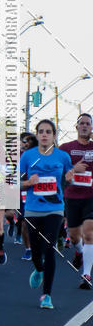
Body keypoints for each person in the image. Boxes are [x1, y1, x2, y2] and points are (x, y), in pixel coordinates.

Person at [21, 119, 74, 309]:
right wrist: (29, 183)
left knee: (49, 247)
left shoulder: (63, 157)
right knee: (36, 250)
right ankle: (38, 268)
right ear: (37, 135)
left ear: (54, 135)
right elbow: (13, 184)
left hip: (55, 209)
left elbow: (68, 182)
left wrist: (69, 179)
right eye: (41, 131)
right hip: (33, 209)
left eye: (48, 131)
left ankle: (47, 295)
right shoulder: (27, 156)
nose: (44, 134)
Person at [59, 113, 93, 287]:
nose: (85, 126)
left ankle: (86, 275)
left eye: (88, 123)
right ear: (77, 126)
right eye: (82, 123)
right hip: (71, 197)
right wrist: (74, 169)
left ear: (91, 127)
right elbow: (57, 171)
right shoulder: (65, 148)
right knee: (74, 237)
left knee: (89, 233)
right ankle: (79, 252)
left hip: (91, 197)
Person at [17, 133, 37, 260]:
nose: (25, 144)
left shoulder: (40, 154)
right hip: (23, 193)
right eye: (23, 141)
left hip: (41, 194)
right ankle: (28, 249)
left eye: (27, 141)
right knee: (25, 223)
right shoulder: (18, 156)